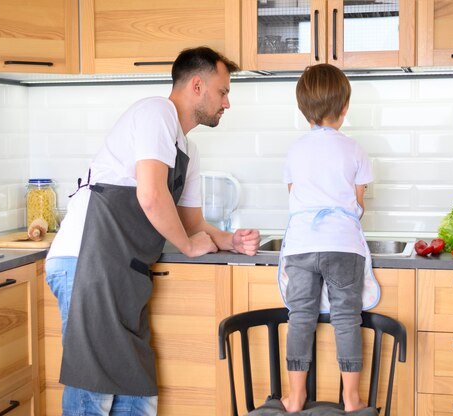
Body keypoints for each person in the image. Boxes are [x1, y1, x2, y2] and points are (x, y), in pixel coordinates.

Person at [45, 46, 260, 416]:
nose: (227, 103)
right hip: (87, 262)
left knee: (137, 393)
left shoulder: (186, 148)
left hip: (124, 273)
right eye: (223, 91)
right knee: (92, 388)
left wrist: (229, 241)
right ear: (197, 85)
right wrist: (190, 248)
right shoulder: (155, 112)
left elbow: (191, 223)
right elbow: (151, 195)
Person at [279, 64, 373, 413]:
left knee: (300, 317)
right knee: (347, 318)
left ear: (303, 109)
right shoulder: (355, 149)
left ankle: (296, 396)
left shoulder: (295, 150)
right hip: (344, 246)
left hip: (302, 245)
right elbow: (359, 206)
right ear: (345, 108)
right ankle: (350, 399)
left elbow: (294, 198)